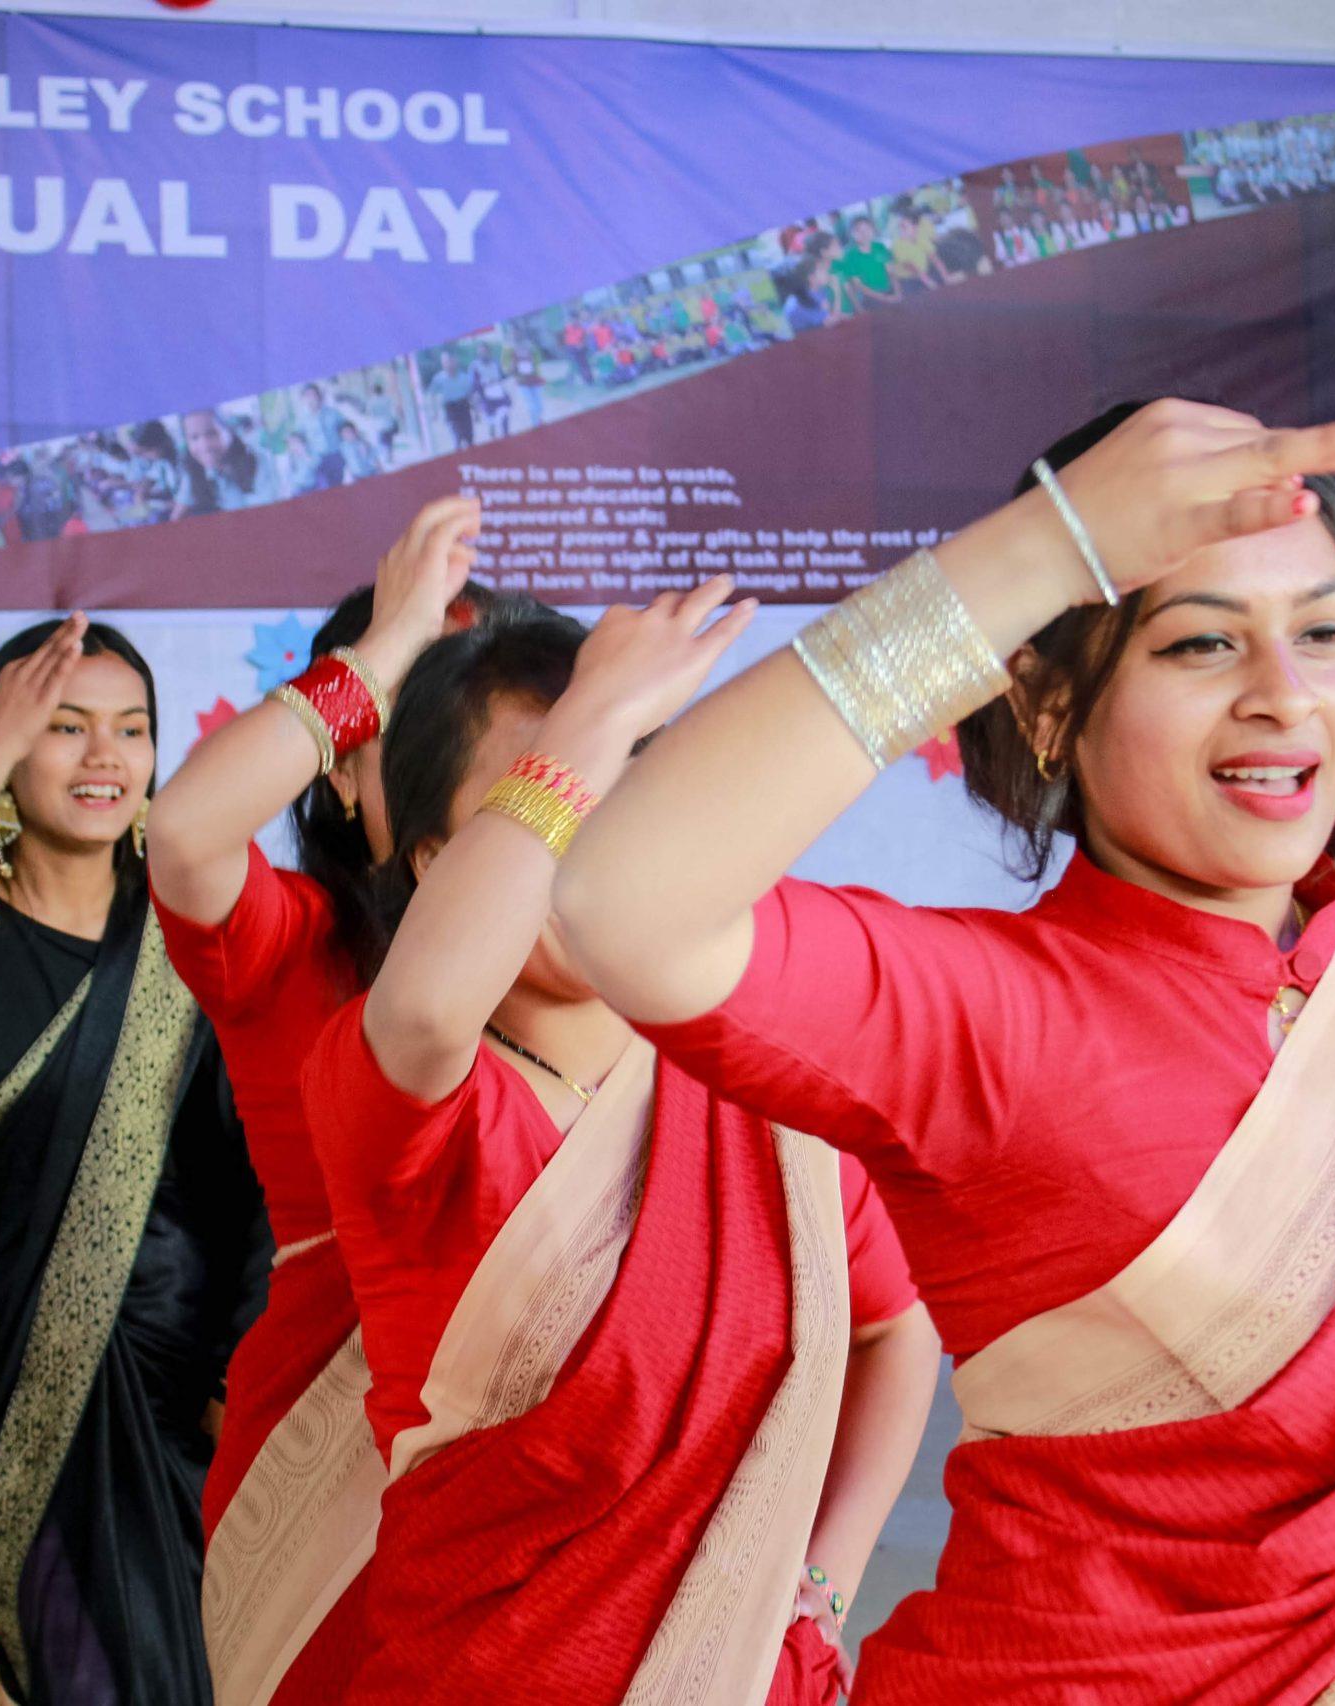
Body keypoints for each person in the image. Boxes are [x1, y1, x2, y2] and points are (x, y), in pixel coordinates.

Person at [556, 399, 1335, 1703]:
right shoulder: (981, 1008)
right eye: (1201, 641)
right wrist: (1047, 545)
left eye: (1322, 633)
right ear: (1045, 701)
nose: (1282, 694)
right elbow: (622, 900)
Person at [302, 589, 939, 1702]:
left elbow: (896, 1329)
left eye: (625, 793)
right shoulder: (398, 1087)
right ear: (436, 857)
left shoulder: (762, 1084)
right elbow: (426, 1010)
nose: (596, 843)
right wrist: (594, 710)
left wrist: (820, 1591)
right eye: (552, 796)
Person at [0, 617, 271, 1704]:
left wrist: (240, 1371)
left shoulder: (189, 925)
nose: (104, 756)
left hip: (176, 1368)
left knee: (182, 1658)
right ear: (7, 744)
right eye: (64, 727)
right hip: (5, 1351)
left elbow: (243, 1173)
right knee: (73, 1663)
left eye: (131, 729)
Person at [145, 499, 488, 1705]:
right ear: (342, 775)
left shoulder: (596, 968)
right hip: (321, 1424)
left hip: (531, 1439)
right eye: (412, 732)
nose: (463, 779)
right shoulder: (293, 941)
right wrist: (385, 646)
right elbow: (183, 833)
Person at [176, 410, 282, 517]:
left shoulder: (258, 461)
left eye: (212, 433)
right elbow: (178, 513)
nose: (205, 446)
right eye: (194, 437)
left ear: (229, 431)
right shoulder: (194, 470)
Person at [426, 350, 477, 450]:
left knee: (469, 438)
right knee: (457, 437)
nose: (448, 364)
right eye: (445, 362)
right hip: (451, 410)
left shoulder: (464, 378)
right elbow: (431, 395)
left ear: (455, 361)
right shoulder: (439, 379)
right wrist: (434, 411)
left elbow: (471, 395)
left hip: (464, 408)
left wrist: (476, 411)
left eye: (450, 361)